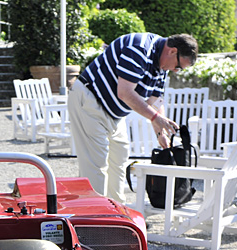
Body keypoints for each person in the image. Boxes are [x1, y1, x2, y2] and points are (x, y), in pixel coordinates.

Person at [68, 33, 199, 204]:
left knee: (119, 161)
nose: (176, 71)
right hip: (90, 100)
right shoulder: (139, 49)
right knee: (96, 166)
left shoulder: (162, 66)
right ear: (173, 51)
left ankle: (116, 214)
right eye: (179, 66)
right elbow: (125, 93)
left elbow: (155, 100)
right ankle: (94, 218)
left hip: (113, 113)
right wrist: (156, 118)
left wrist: (162, 133)